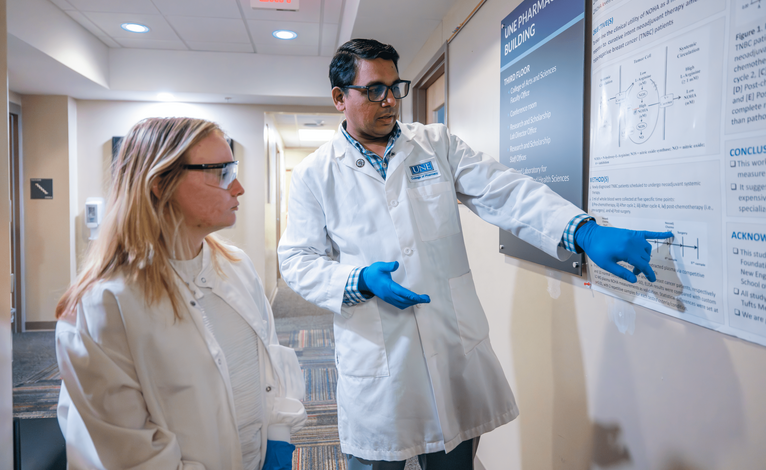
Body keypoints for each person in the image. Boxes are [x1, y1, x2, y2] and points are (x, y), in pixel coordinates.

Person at [277, 39, 673, 469]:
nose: (390, 101)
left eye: (396, 86)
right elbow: (297, 260)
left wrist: (583, 230)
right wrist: (357, 281)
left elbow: (504, 191)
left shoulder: (435, 144)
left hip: (450, 348)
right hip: (378, 358)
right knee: (379, 458)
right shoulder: (314, 174)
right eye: (375, 90)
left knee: (454, 456)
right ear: (340, 98)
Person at [55, 117, 306, 470]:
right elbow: (128, 452)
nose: (238, 188)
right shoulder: (104, 304)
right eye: (221, 173)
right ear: (160, 183)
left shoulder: (235, 265)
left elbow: (270, 362)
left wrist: (277, 438)